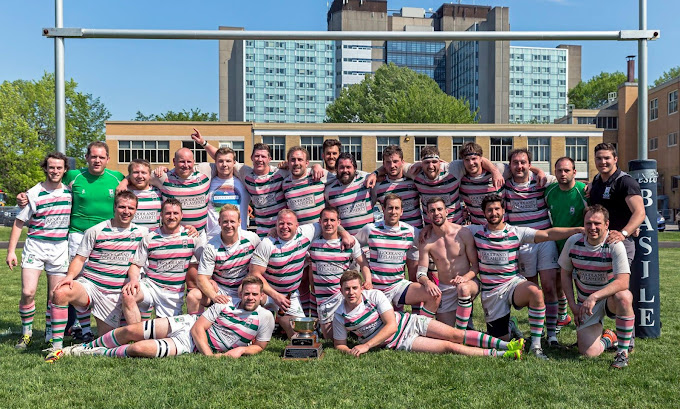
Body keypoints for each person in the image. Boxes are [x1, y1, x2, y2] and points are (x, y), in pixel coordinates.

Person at [18, 141, 126, 342]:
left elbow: (138, 180)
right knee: (77, 282)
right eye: (93, 156)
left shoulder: (117, 177)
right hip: (78, 236)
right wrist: (24, 196)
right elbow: (49, 183)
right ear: (86, 158)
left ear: (108, 160)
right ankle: (83, 328)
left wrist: (127, 182)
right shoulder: (73, 176)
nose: (97, 160)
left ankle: (116, 325)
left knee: (110, 282)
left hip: (107, 237)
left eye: (101, 157)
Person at [466, 194, 582, 360]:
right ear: (484, 213)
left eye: (497, 209)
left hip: (512, 284)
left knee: (535, 292)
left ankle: (536, 346)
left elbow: (548, 234)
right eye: (489, 210)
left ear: (503, 211)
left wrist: (577, 230)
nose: (494, 213)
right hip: (491, 292)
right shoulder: (475, 232)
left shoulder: (516, 232)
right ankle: (510, 326)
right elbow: (450, 229)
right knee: (500, 340)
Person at [53, 276, 274, 360]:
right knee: (131, 331)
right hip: (188, 325)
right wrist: (210, 357)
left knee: (138, 349)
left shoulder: (265, 317)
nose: (250, 297)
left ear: (262, 295)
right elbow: (198, 329)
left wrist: (243, 349)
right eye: (247, 293)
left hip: (188, 344)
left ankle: (98, 353)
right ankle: (82, 348)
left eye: (255, 294)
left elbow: (261, 346)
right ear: (241, 293)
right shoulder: (225, 303)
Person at [45, 191, 147, 362]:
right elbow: (79, 259)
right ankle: (56, 348)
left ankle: (91, 342)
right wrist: (70, 276)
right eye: (122, 206)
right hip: (92, 285)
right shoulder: (96, 230)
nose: (126, 211)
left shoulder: (142, 233)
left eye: (131, 208)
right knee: (61, 292)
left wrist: (190, 230)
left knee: (109, 343)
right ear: (114, 207)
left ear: (136, 210)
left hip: (115, 294)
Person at [332, 270, 523, 359]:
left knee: (456, 334)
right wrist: (350, 351)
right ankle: (503, 355)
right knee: (449, 347)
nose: (351, 292)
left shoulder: (373, 295)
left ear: (361, 287)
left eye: (354, 288)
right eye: (347, 289)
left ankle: (508, 344)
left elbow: (390, 325)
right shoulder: (340, 315)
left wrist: (366, 345)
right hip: (400, 342)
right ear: (341, 291)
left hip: (409, 323)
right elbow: (339, 344)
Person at [7, 152, 71, 349]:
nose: (55, 171)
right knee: (28, 291)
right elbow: (19, 223)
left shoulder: (70, 192)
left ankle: (51, 333)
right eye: (51, 167)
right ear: (46, 168)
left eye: (59, 167)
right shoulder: (33, 193)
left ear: (65, 170)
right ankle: (26, 334)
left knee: (55, 295)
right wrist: (11, 252)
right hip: (35, 245)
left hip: (59, 247)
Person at [559, 205, 635, 369]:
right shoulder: (573, 242)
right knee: (589, 352)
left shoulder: (614, 244)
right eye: (588, 223)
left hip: (607, 300)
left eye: (597, 223)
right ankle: (609, 338)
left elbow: (623, 282)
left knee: (624, 296)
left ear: (607, 224)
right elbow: (564, 274)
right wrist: (573, 305)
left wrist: (595, 297)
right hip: (585, 303)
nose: (592, 228)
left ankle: (622, 353)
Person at [503, 149, 563, 346]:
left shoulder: (542, 181)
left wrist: (540, 172)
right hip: (523, 244)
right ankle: (535, 330)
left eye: (523, 162)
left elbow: (567, 179)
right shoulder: (504, 185)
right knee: (532, 289)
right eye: (515, 163)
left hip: (545, 239)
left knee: (548, 286)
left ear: (530, 164)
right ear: (510, 165)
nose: (519, 166)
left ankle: (552, 333)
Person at [354, 194, 440, 318]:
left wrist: (428, 227)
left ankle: (422, 325)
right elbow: (353, 245)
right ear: (383, 209)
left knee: (434, 294)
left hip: (398, 286)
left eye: (396, 208)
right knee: (380, 325)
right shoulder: (370, 229)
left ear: (401, 211)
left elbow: (428, 244)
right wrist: (362, 263)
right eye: (390, 208)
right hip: (375, 288)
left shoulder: (410, 231)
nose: (393, 212)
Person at [121, 199, 198, 324]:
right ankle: (135, 338)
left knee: (166, 333)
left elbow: (205, 263)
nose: (171, 217)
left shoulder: (191, 237)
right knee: (128, 294)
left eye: (175, 213)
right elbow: (136, 265)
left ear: (182, 215)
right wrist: (134, 280)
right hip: (151, 286)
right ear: (161, 215)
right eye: (168, 213)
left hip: (172, 293)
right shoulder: (150, 238)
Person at [417, 197, 480, 330]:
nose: (436, 213)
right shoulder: (427, 240)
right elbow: (421, 272)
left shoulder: (463, 233)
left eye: (439, 209)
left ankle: (463, 331)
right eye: (432, 210)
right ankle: (466, 325)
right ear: (428, 214)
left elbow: (475, 266)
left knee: (463, 289)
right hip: (445, 288)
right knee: (445, 331)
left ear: (446, 211)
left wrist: (465, 278)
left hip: (468, 283)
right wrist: (427, 282)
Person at [185, 204, 261, 313]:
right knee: (193, 296)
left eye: (232, 221)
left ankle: (265, 326)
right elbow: (202, 278)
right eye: (225, 221)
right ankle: (196, 327)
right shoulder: (211, 246)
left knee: (263, 297)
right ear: (219, 222)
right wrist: (215, 296)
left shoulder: (252, 238)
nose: (229, 225)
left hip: (245, 288)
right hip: (221, 290)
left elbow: (264, 262)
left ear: (239, 222)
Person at [309, 206, 371, 339]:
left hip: (344, 296)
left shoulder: (349, 243)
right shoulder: (312, 243)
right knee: (330, 339)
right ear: (320, 222)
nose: (329, 224)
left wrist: (368, 280)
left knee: (361, 332)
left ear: (339, 222)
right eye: (325, 220)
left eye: (332, 220)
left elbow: (364, 264)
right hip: (324, 301)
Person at [544, 156, 588, 330]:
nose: (563, 174)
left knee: (581, 284)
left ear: (574, 172)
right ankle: (562, 316)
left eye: (567, 170)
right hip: (556, 244)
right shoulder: (549, 191)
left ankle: (585, 317)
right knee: (558, 283)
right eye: (559, 170)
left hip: (579, 246)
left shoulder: (583, 191)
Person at [588, 143, 645, 264]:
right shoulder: (597, 181)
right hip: (598, 241)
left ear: (615, 159)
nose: (603, 162)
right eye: (599, 158)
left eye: (607, 158)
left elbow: (639, 212)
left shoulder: (626, 182)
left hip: (619, 242)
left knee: (618, 282)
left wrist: (624, 233)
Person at [325, 152, 376, 236]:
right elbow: (331, 218)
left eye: (348, 167)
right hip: (346, 243)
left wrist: (375, 174)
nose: (345, 170)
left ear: (355, 168)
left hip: (370, 241)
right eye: (341, 167)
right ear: (336, 169)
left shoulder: (366, 180)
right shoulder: (329, 190)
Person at [373, 145, 423, 228]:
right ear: (383, 164)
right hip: (391, 236)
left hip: (415, 234)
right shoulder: (377, 186)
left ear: (403, 162)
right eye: (388, 162)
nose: (392, 166)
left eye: (395, 161)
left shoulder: (414, 180)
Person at [126, 158, 163, 230]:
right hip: (132, 240)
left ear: (150, 175)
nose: (140, 176)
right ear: (129, 175)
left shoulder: (159, 191)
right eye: (136, 172)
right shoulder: (124, 192)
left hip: (153, 239)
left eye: (144, 173)